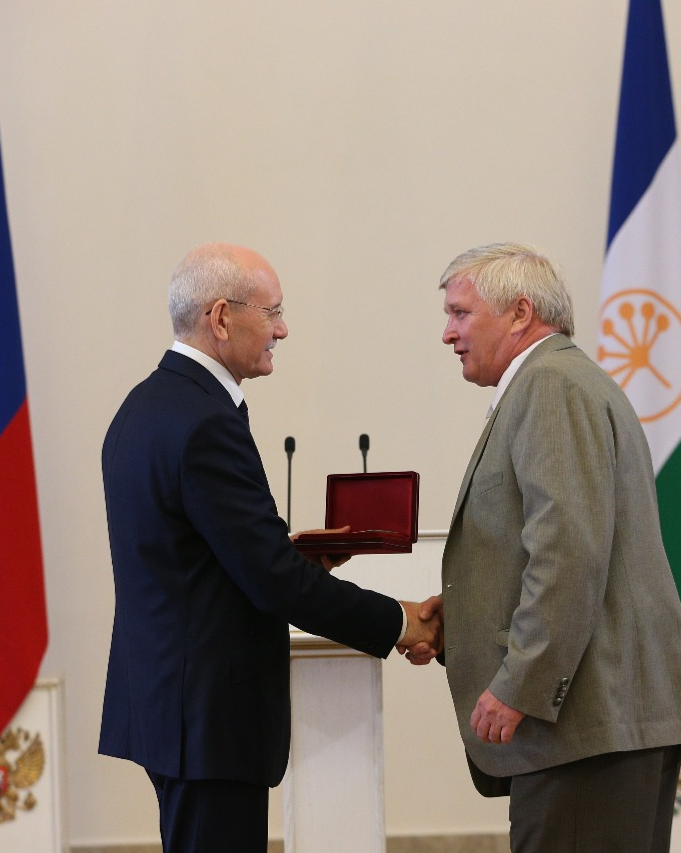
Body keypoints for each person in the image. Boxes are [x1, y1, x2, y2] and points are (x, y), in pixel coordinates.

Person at [98, 242, 441, 853]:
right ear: (221, 317)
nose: (283, 329)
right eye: (273, 312)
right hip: (207, 716)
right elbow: (272, 581)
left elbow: (189, 555)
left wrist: (288, 556)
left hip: (168, 704)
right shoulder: (206, 421)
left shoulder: (144, 405)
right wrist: (401, 621)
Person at [409, 243, 681, 853]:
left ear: (520, 313)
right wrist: (465, 616)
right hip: (594, 729)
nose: (448, 333)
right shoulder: (558, 382)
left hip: (585, 729)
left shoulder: (550, 385)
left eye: (460, 313)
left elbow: (567, 553)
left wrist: (522, 681)